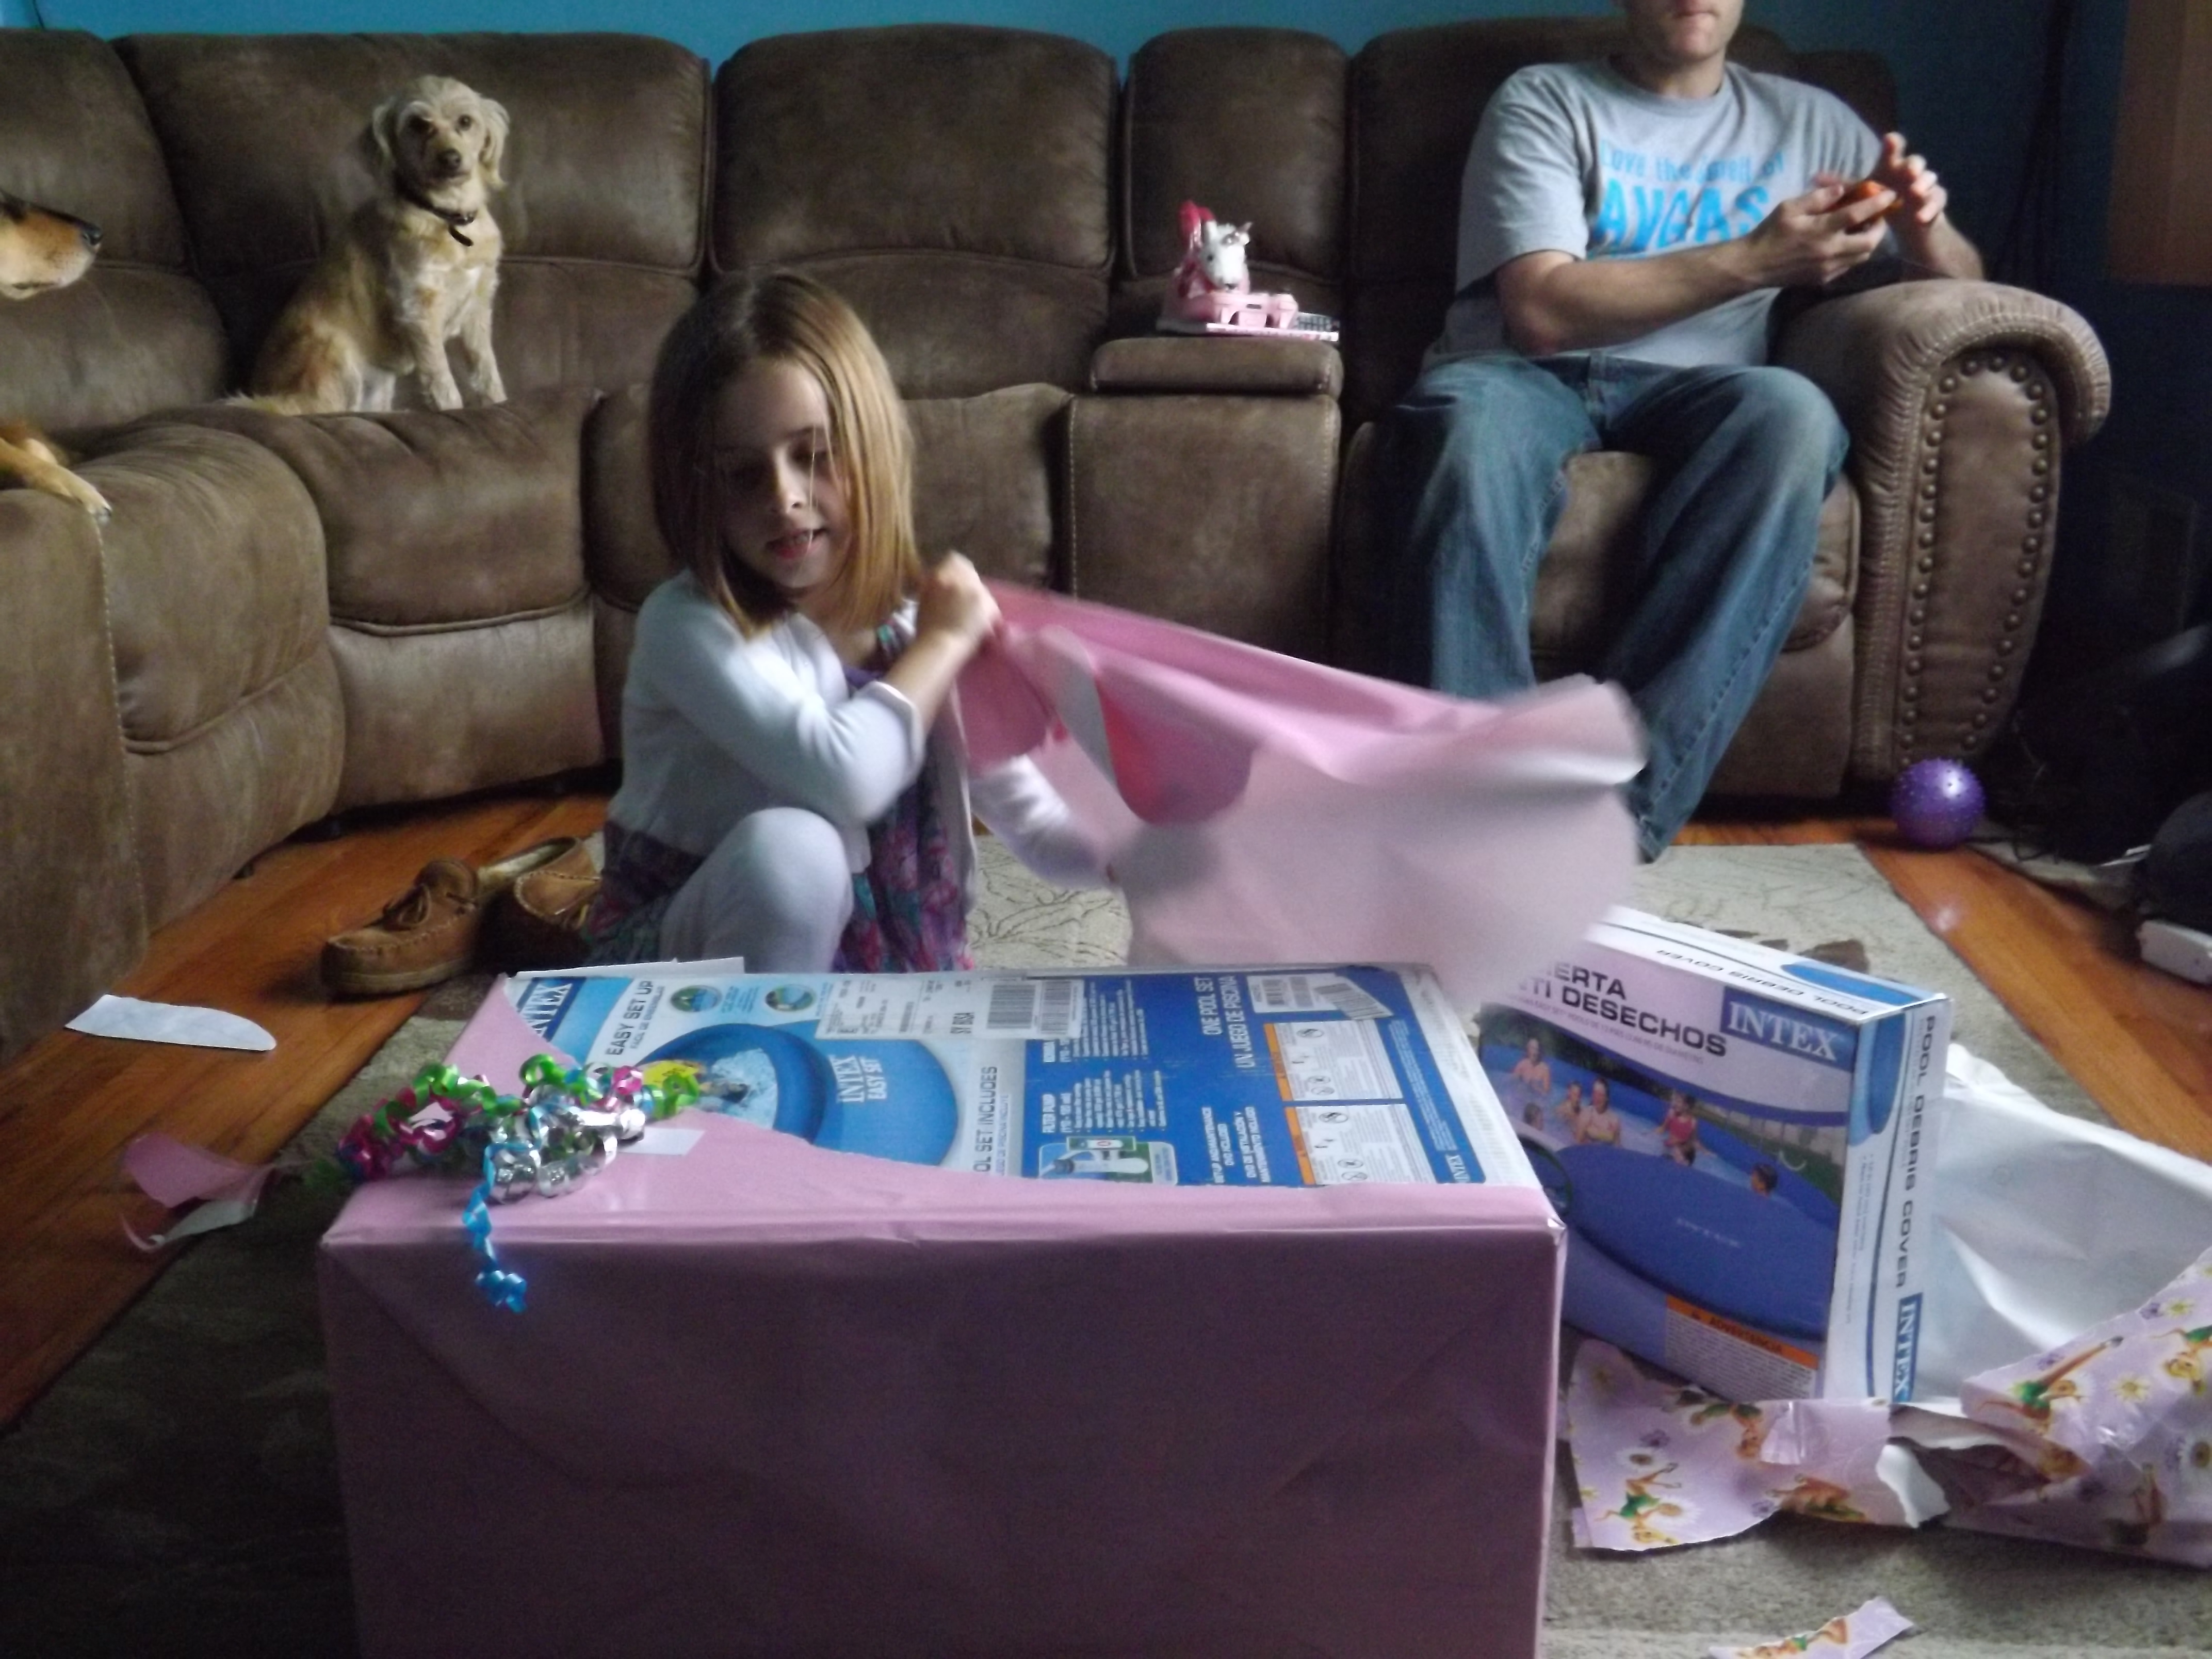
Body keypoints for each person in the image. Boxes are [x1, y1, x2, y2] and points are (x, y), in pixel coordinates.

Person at [1375, 0, 1982, 859]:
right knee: (1464, 433)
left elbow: (1967, 287)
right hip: (1522, 373)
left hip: (1704, 387)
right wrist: (1756, 258)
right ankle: (1476, 806)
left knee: (1793, 416)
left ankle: (1609, 817)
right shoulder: (1545, 100)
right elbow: (1543, 310)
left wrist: (1926, 235)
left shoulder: (1813, 123)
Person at [583, 271, 1107, 970]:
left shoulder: (916, 632)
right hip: (686, 983)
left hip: (891, 988)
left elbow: (1038, 830)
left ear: (873, 447)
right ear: (695, 488)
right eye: (742, 474)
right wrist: (943, 644)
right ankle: (756, 1043)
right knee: (792, 852)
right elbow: (846, 777)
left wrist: (1140, 855)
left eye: (814, 455)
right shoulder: (688, 626)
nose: (784, 497)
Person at [1576, 1076, 1623, 1145]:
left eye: (1600, 1095)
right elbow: (1577, 1142)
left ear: (1607, 1098)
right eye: (1595, 1093)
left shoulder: (1614, 1121)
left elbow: (1617, 1147)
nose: (1597, 1098)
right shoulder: (1586, 1114)